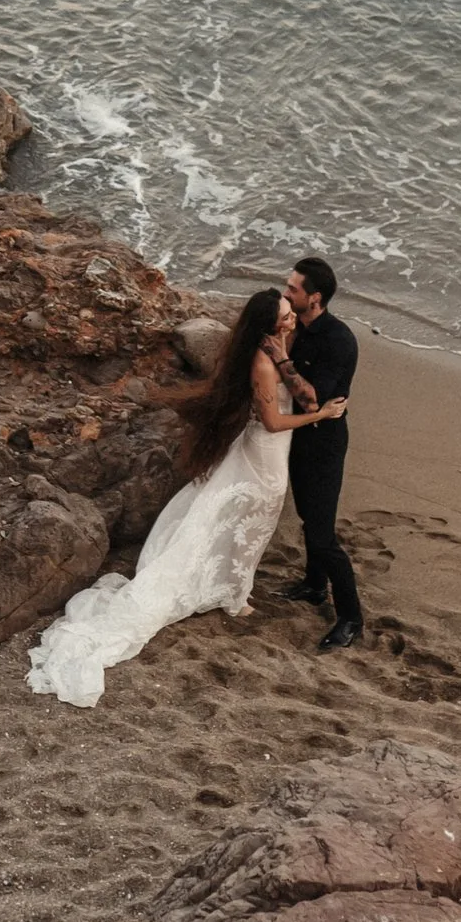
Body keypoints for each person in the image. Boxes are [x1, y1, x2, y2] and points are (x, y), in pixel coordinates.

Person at [25, 282, 344, 708]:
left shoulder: (275, 354)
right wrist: (321, 414)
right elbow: (271, 423)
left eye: (290, 310)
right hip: (263, 453)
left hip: (266, 454)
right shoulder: (263, 365)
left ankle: (235, 591)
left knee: (250, 522)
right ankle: (234, 595)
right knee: (249, 518)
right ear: (270, 326)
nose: (291, 317)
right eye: (285, 314)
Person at [281, 255, 362, 648]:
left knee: (323, 533)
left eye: (293, 288)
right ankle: (314, 585)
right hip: (296, 436)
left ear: (314, 298)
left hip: (325, 443)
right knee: (306, 515)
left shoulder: (339, 340)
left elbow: (315, 399)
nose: (287, 291)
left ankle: (351, 618)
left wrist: (281, 358)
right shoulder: (299, 328)